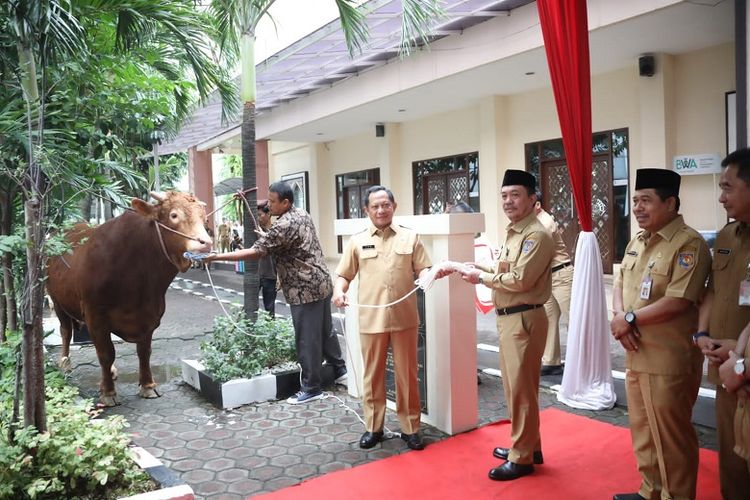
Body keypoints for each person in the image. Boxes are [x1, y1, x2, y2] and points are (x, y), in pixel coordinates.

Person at [610, 168, 711, 500]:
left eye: (646, 201)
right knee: (642, 431)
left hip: (668, 358)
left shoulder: (689, 244)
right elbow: (621, 281)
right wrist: (618, 317)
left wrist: (628, 318)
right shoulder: (638, 240)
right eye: (636, 200)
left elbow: (679, 300)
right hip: (636, 351)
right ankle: (650, 490)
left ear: (670, 203)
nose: (638, 207)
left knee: (671, 437)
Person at [205, 182, 347, 404]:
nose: (268, 205)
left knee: (307, 339)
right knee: (325, 330)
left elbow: (256, 252)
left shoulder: (283, 226)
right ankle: (339, 369)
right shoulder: (301, 213)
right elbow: (288, 241)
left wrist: (216, 257)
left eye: (272, 202)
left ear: (286, 202)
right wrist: (267, 234)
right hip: (321, 282)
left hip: (304, 289)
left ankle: (311, 387)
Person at [458, 169, 553, 481]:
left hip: (523, 318)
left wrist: (480, 277)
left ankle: (522, 456)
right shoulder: (516, 231)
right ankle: (529, 446)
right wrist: (480, 266)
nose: (508, 201)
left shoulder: (535, 235)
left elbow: (520, 279)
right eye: (504, 196)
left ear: (532, 198)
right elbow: (506, 268)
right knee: (517, 388)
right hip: (512, 319)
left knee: (521, 392)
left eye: (515, 195)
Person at [333, 185, 433, 451]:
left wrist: (426, 277)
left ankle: (411, 429)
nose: (381, 210)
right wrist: (338, 291)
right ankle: (373, 428)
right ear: (366, 210)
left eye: (385, 205)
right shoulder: (357, 241)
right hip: (371, 319)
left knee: (407, 376)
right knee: (373, 376)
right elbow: (344, 275)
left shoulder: (410, 238)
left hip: (404, 319)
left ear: (394, 206)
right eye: (375, 206)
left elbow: (424, 268)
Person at [696, 148, 750, 499]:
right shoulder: (728, 237)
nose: (721, 197)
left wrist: (741, 352)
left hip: (745, 366)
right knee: (731, 458)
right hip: (725, 369)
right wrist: (702, 333)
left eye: (728, 187)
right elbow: (713, 289)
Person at [534, 192, 573, 376]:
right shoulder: (535, 223)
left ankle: (581, 363)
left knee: (573, 320)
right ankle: (551, 361)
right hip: (549, 277)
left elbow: (535, 253)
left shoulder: (544, 223)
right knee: (550, 319)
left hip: (562, 275)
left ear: (538, 205)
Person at [257, 199, 277, 317]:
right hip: (256, 274)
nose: (258, 218)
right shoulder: (255, 231)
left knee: (270, 309)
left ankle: (270, 333)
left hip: (270, 276)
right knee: (250, 306)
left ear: (269, 214)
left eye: (260, 215)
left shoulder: (277, 231)